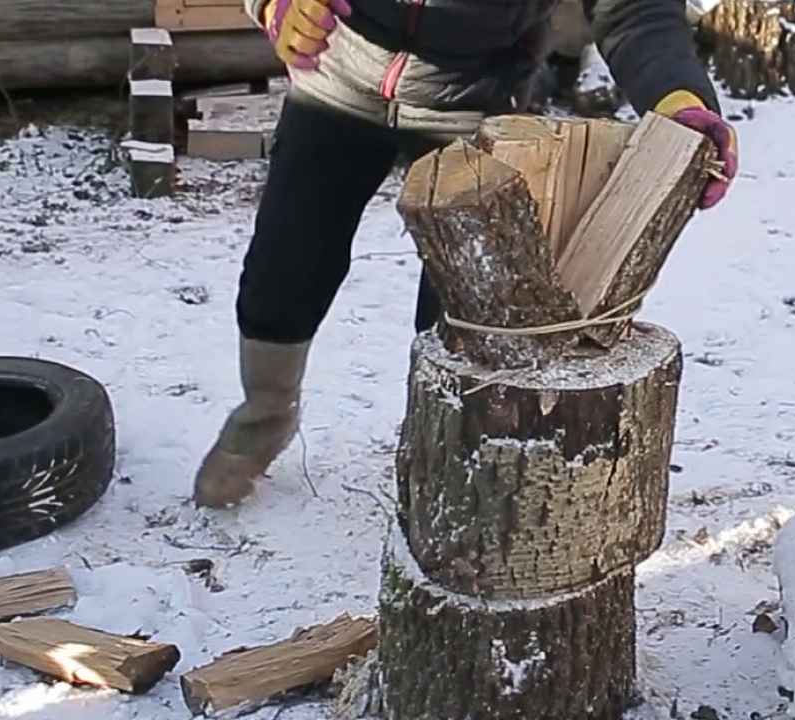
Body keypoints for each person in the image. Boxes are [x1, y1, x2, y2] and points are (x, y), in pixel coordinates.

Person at [192, 0, 739, 507]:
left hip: (475, 102)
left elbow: (634, 9)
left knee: (461, 315)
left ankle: (446, 459)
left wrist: (678, 97)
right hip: (335, 74)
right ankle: (265, 414)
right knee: (284, 270)